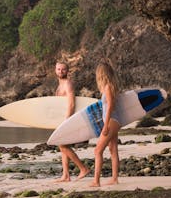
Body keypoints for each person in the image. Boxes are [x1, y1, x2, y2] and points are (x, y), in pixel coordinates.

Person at [52, 60, 90, 182]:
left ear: (67, 71)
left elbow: (72, 104)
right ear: (55, 70)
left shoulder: (68, 84)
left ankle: (83, 168)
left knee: (62, 145)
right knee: (63, 146)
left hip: (67, 119)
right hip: (62, 120)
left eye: (63, 69)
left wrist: (67, 121)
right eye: (58, 69)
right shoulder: (60, 85)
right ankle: (66, 175)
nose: (61, 71)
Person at [91, 59, 121, 187]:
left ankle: (96, 181)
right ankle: (114, 179)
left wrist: (105, 125)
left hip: (111, 121)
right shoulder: (110, 87)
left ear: (101, 74)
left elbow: (110, 106)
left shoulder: (108, 87)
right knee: (113, 149)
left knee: (97, 151)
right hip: (115, 121)